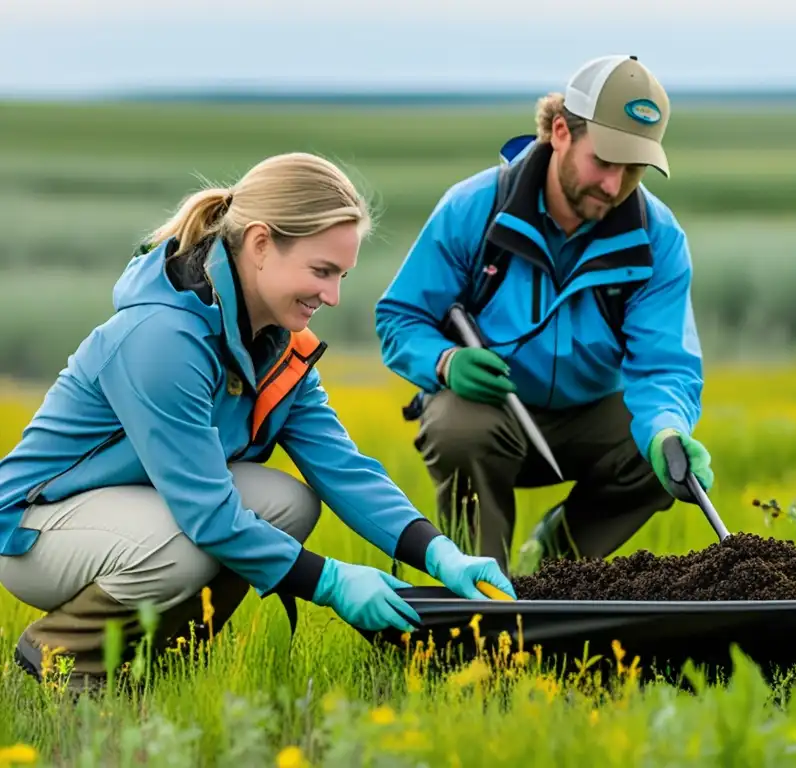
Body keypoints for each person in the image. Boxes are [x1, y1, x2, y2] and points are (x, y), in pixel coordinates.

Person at [0, 151, 515, 692]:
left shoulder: (275, 343)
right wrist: (332, 582)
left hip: (130, 508)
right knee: (191, 544)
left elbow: (340, 466)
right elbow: (206, 514)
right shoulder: (162, 339)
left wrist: (437, 551)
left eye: (342, 275)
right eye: (321, 271)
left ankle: (166, 664)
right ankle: (69, 655)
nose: (333, 296)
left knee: (286, 504)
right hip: (37, 527)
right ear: (261, 244)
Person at [375, 55, 715, 574]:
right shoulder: (472, 209)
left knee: (660, 453)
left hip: (592, 418)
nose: (613, 184)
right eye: (604, 160)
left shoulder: (659, 239)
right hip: (492, 413)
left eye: (634, 169)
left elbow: (665, 367)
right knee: (456, 425)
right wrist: (445, 363)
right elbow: (400, 318)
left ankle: (557, 569)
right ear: (561, 131)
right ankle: (482, 593)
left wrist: (668, 430)